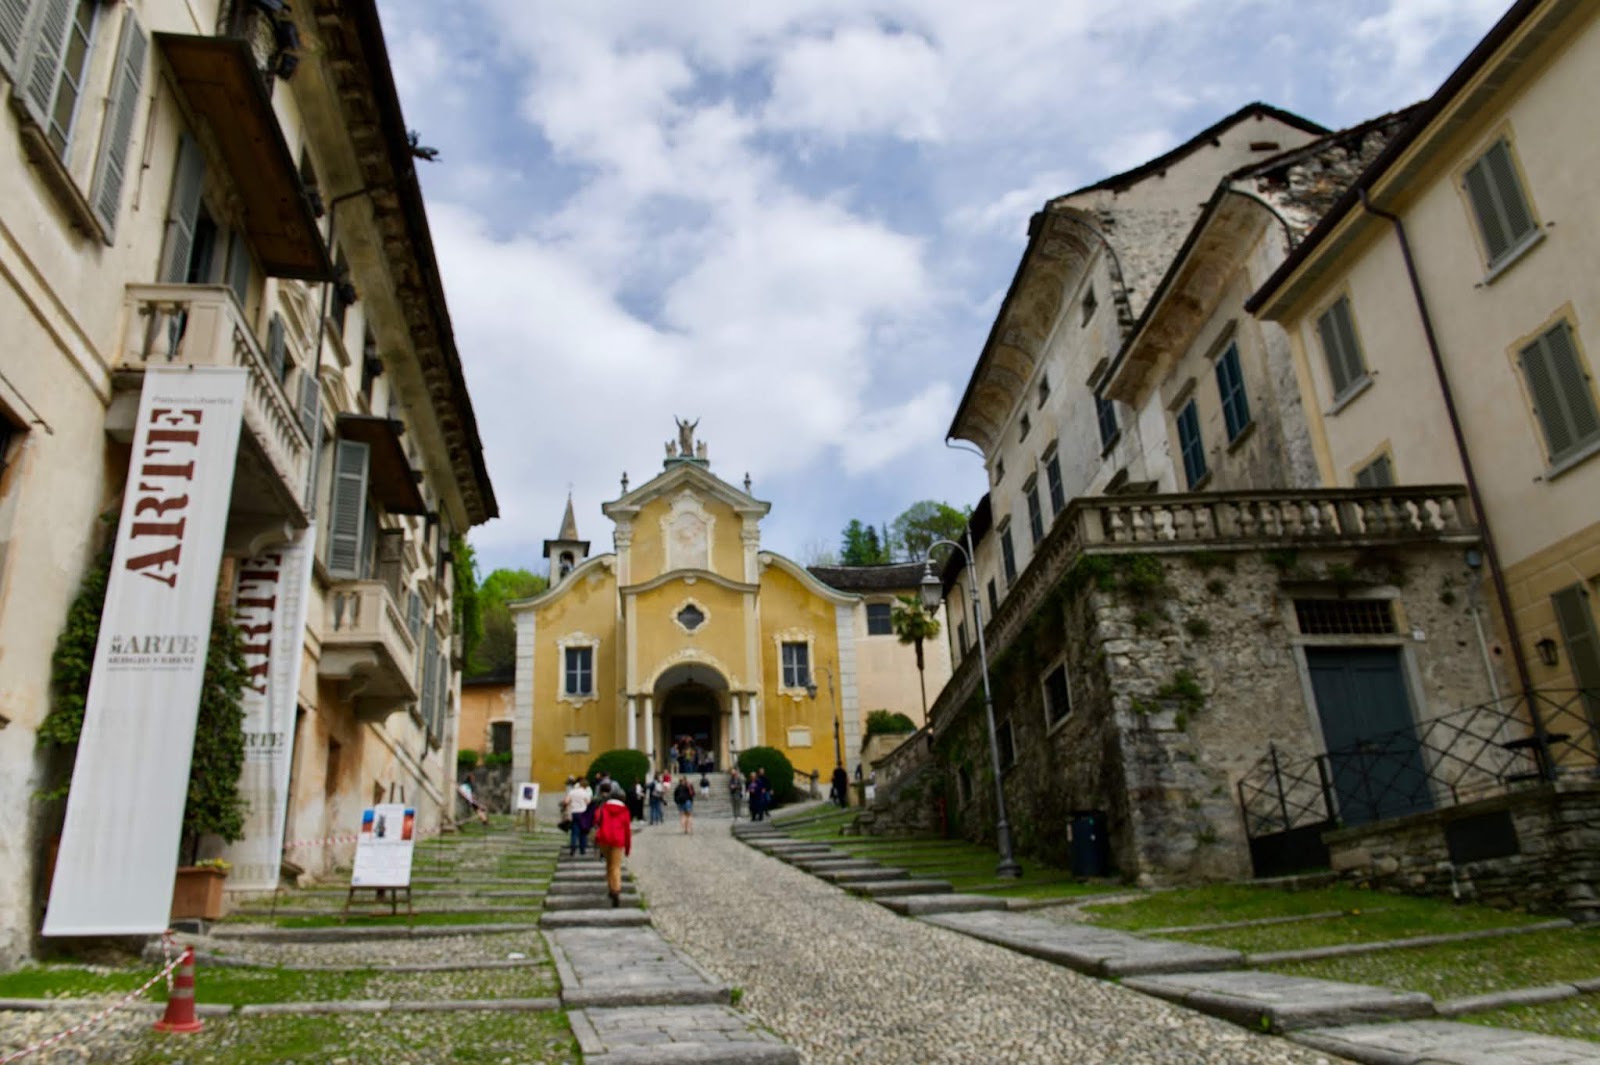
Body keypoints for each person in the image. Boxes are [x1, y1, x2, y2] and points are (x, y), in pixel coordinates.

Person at [592, 782, 633, 907]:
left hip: (604, 839)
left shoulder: (603, 808)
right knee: (616, 866)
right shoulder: (625, 811)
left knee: (609, 864)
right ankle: (616, 890)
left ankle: (611, 887)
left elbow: (596, 819)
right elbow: (627, 831)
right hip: (618, 840)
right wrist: (627, 847)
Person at [565, 775, 593, 856]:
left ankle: (573, 848)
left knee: (574, 832)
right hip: (583, 813)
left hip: (574, 812)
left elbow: (566, 801)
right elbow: (588, 803)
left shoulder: (572, 792)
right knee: (583, 832)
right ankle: (582, 849)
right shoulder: (585, 793)